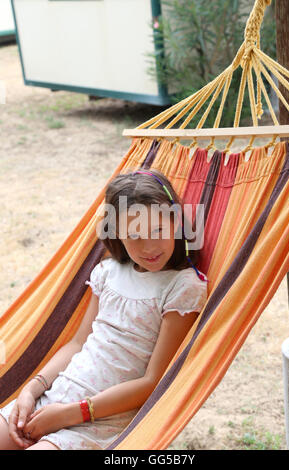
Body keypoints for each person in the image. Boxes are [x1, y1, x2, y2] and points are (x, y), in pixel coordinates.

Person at [0, 168, 208, 450]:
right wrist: (31, 390)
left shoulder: (182, 287)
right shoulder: (107, 272)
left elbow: (153, 380)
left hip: (102, 420)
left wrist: (72, 413)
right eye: (133, 235)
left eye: (158, 230)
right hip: (54, 399)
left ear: (176, 223)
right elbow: (77, 344)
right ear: (117, 235)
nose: (149, 246)